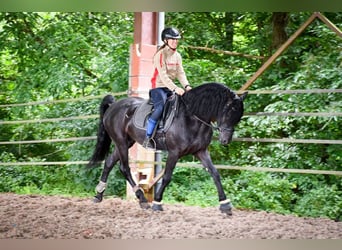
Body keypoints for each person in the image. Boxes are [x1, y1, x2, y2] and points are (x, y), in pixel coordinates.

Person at [143, 27, 192, 148]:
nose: (175, 42)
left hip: (170, 88)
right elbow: (163, 76)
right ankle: (148, 137)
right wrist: (176, 88)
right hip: (158, 87)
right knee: (160, 108)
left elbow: (181, 73)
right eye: (172, 39)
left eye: (177, 40)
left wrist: (186, 86)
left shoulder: (177, 56)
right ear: (165, 40)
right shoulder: (160, 55)